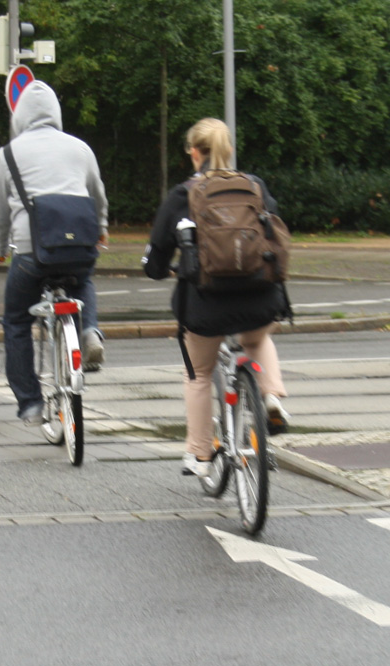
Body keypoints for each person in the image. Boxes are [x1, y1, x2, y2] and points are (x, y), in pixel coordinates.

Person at [143, 117, 291, 477]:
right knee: (257, 338)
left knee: (198, 373)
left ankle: (200, 454)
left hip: (206, 305)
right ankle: (271, 396)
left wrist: (161, 269)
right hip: (260, 296)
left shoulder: (184, 194)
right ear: (228, 150)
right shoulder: (254, 186)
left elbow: (158, 254)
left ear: (195, 152)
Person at [0, 81, 109, 424]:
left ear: (20, 116)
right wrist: (100, 229)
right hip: (79, 245)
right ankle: (89, 331)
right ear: (56, 112)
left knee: (15, 321)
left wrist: (0, 246)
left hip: (30, 253)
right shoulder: (80, 149)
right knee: (82, 280)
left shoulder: (7, 154)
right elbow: (97, 195)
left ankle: (29, 402)